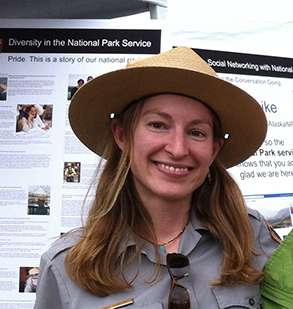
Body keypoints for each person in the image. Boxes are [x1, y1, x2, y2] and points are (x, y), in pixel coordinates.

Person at [34, 47, 280, 309]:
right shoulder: (67, 266)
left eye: (196, 132)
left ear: (214, 149)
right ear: (122, 135)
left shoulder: (250, 237)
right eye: (158, 125)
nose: (177, 149)